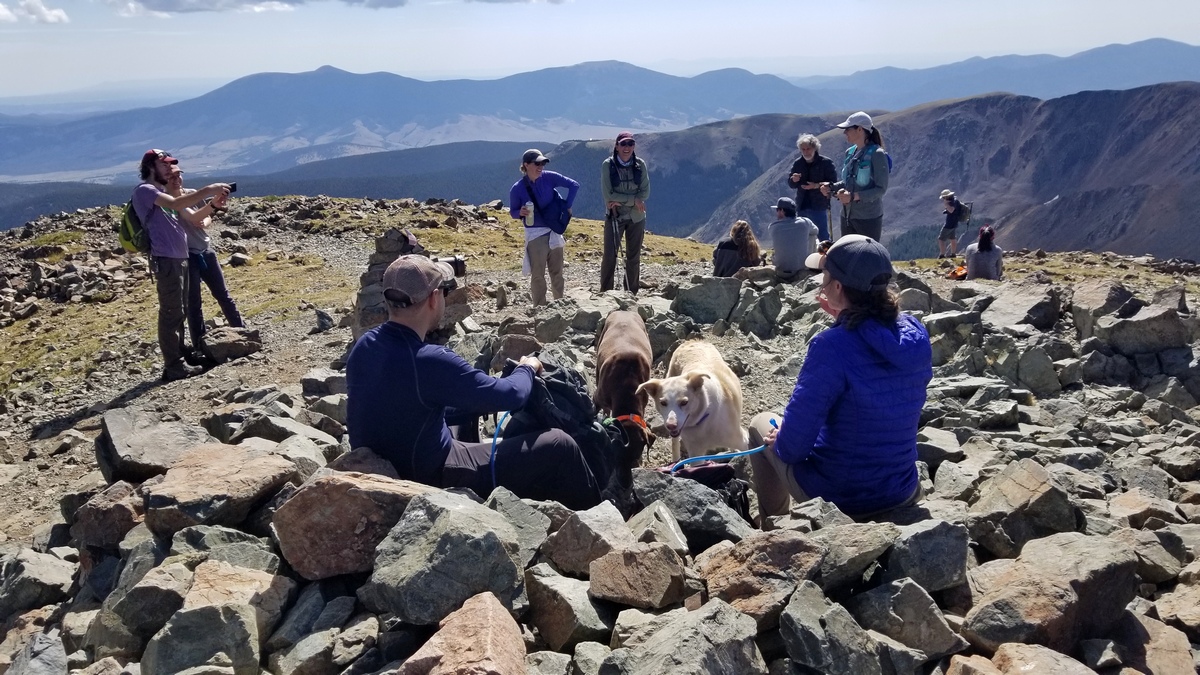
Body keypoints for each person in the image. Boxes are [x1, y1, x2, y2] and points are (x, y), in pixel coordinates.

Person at [346, 255, 602, 509]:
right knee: (559, 443)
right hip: (430, 475)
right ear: (434, 298)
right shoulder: (430, 360)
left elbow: (404, 402)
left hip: (387, 464)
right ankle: (599, 521)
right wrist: (527, 368)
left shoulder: (365, 345)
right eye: (445, 292)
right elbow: (511, 395)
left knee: (469, 408)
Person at [748, 235, 932, 522]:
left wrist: (780, 438)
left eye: (825, 275)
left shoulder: (830, 346)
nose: (821, 282)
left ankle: (776, 527)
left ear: (836, 287)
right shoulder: (916, 334)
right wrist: (843, 317)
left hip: (843, 497)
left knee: (759, 424)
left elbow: (793, 448)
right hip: (901, 489)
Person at [132, 150, 230, 381]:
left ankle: (182, 355)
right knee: (171, 312)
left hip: (180, 257)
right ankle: (173, 366)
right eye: (163, 164)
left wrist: (213, 206)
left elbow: (193, 217)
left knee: (181, 310)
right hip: (166, 259)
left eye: (171, 165)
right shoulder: (146, 191)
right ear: (150, 167)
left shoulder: (159, 191)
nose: (169, 168)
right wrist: (209, 189)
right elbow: (177, 204)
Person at [167, 171, 245, 360]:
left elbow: (205, 219)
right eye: (172, 177)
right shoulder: (169, 202)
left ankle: (242, 332)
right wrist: (209, 207)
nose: (177, 179)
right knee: (194, 303)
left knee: (223, 295)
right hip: (188, 256)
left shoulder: (191, 193)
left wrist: (208, 217)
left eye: (179, 175)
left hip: (205, 250)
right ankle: (201, 345)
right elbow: (193, 216)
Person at [508, 149, 580, 306]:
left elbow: (574, 185)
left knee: (557, 273)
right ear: (526, 165)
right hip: (535, 234)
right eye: (537, 163)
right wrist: (519, 212)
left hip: (553, 230)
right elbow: (512, 212)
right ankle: (540, 308)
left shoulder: (549, 177)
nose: (541, 167)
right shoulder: (518, 188)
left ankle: (560, 305)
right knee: (538, 275)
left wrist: (567, 206)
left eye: (542, 163)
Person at [821, 112, 889, 242]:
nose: (845, 132)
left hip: (868, 218)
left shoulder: (877, 154)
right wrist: (831, 187)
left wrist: (853, 197)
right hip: (847, 216)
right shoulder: (850, 153)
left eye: (848, 129)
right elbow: (848, 182)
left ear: (860, 129)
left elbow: (881, 189)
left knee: (867, 257)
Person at [600, 132, 650, 293]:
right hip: (615, 216)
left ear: (634, 146)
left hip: (636, 217)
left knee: (633, 257)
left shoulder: (640, 165)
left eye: (630, 144)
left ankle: (631, 292)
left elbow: (646, 192)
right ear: (616, 146)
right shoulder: (608, 165)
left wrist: (624, 200)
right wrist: (634, 200)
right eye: (623, 144)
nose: (627, 147)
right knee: (609, 256)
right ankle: (606, 292)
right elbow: (609, 196)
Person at [786, 134, 837, 241]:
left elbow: (834, 184)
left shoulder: (826, 163)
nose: (805, 152)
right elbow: (791, 184)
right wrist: (793, 179)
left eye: (808, 149)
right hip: (802, 206)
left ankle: (825, 257)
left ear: (815, 148)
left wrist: (816, 186)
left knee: (822, 236)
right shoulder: (798, 163)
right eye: (803, 149)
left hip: (819, 206)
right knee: (802, 237)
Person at [767, 197, 819, 282]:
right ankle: (812, 265)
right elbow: (816, 231)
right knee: (813, 236)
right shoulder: (805, 222)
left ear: (782, 211)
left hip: (781, 271)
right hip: (802, 268)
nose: (776, 213)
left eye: (777, 210)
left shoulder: (773, 227)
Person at [937, 189, 963, 259]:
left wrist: (946, 204)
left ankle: (942, 255)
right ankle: (953, 253)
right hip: (954, 223)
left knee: (941, 239)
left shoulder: (951, 202)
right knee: (952, 238)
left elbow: (951, 210)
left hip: (949, 224)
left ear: (945, 197)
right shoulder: (955, 200)